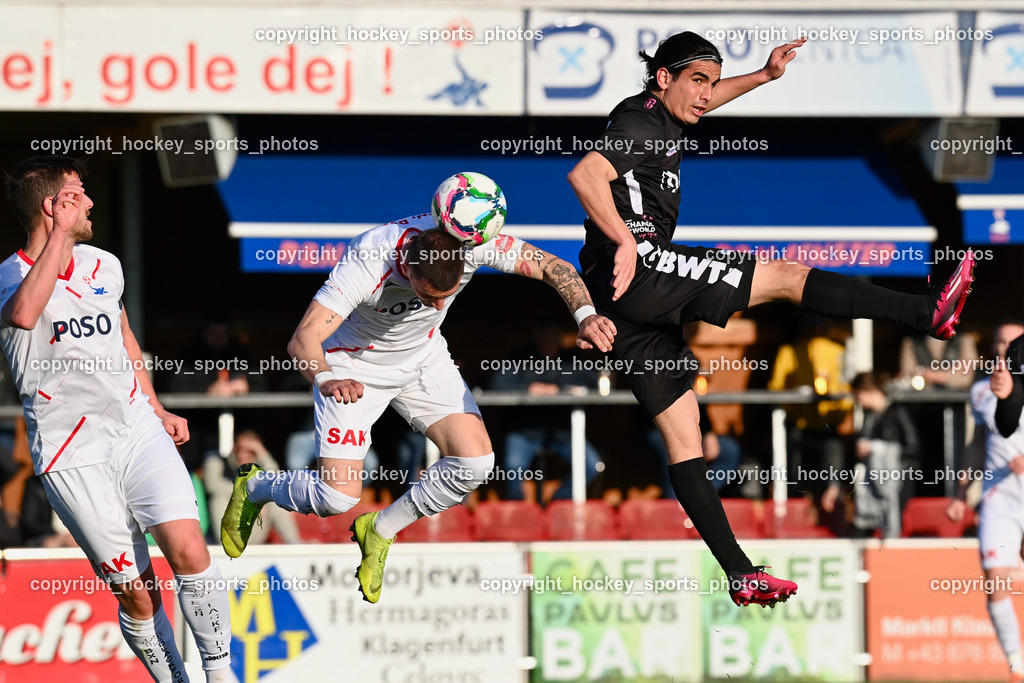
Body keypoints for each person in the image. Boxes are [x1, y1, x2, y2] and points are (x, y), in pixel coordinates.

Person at [566, 31, 975, 606]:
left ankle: (740, 573)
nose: (706, 95)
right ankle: (926, 312)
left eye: (712, 83)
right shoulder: (642, 122)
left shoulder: (666, 113)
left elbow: (702, 99)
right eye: (698, 81)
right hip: (642, 270)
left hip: (621, 300)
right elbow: (584, 176)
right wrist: (626, 242)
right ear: (663, 78)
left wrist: (762, 76)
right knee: (785, 276)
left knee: (686, 439)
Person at [220, 193, 617, 605]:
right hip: (353, 370)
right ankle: (256, 486)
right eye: (429, 297)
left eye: (447, 295)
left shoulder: (473, 242)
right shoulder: (369, 257)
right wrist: (324, 379)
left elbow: (554, 266)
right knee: (336, 498)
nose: (439, 304)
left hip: (424, 359)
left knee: (476, 463)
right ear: (407, 267)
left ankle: (380, 529)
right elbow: (303, 339)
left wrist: (585, 316)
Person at [0, 157, 232, 681]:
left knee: (189, 549)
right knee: (138, 595)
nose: (90, 202)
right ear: (54, 206)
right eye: (78, 193)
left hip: (135, 431)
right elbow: (23, 315)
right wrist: (59, 236)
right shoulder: (9, 277)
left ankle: (221, 673)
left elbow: (123, 335)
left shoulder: (104, 264)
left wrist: (155, 405)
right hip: (71, 455)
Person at [949, 319, 1024, 682]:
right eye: (1000, 342)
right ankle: (1016, 665)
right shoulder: (981, 391)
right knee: (995, 581)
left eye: (1013, 342)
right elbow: (976, 445)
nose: (1005, 348)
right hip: (998, 496)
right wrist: (960, 493)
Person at [489, 321, 602, 502]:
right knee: (512, 469)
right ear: (536, 338)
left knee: (592, 465)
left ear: (560, 339)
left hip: (562, 432)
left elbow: (594, 383)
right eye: (545, 337)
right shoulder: (519, 358)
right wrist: (529, 388)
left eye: (554, 337)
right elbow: (497, 386)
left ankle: (558, 505)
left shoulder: (570, 359)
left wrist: (558, 389)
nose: (549, 342)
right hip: (524, 430)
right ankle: (518, 512)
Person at [850, 371, 920, 539]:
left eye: (858, 394)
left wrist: (878, 449)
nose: (857, 400)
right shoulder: (870, 417)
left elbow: (913, 446)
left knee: (894, 522)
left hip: (899, 478)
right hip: (876, 480)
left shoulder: (897, 412)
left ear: (868, 391)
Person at [205, 430, 301, 545]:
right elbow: (211, 484)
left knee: (275, 499)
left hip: (254, 529)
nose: (243, 454)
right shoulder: (217, 461)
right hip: (228, 530)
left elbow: (277, 481)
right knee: (218, 499)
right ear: (234, 447)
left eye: (250, 450)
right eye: (240, 448)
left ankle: (294, 543)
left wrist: (261, 451)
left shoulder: (260, 467)